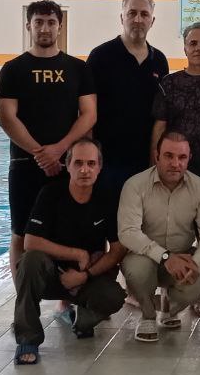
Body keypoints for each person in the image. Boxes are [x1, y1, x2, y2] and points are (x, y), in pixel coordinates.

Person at [0, 0, 96, 279]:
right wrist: (40, 153)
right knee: (20, 232)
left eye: (51, 22)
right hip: (25, 164)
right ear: (28, 25)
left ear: (59, 26)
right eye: (38, 22)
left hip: (67, 164)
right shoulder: (13, 69)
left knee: (70, 229)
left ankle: (67, 297)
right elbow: (7, 118)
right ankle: (23, 298)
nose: (44, 28)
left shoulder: (77, 68)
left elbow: (89, 114)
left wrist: (60, 150)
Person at [14, 139, 127, 362]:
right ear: (68, 166)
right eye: (78, 163)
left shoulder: (107, 198)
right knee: (30, 261)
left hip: (86, 278)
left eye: (91, 163)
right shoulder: (50, 194)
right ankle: (28, 339)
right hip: (51, 276)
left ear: (99, 167)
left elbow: (117, 250)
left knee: (114, 297)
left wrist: (85, 275)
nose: (85, 170)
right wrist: (77, 254)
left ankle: (83, 319)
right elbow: (30, 242)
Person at [118, 131, 200, 342]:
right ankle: (147, 315)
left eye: (182, 157)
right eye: (168, 156)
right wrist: (165, 257)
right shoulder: (135, 185)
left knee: (195, 286)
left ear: (189, 158)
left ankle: (169, 307)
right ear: (157, 156)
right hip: (145, 257)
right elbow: (128, 232)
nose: (175, 163)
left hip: (183, 256)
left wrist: (196, 262)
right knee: (137, 270)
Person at [87, 0, 170, 197]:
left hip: (144, 159)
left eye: (144, 14)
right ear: (122, 17)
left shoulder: (159, 60)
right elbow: (86, 109)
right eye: (132, 13)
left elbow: (161, 115)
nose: (138, 19)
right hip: (107, 160)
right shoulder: (101, 56)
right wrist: (90, 154)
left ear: (152, 21)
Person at [151, 21, 200, 204]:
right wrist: (154, 165)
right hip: (174, 167)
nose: (199, 48)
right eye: (193, 43)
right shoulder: (169, 83)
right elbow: (159, 127)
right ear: (185, 49)